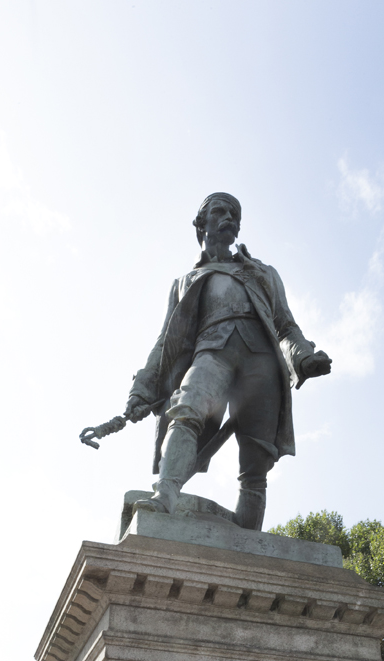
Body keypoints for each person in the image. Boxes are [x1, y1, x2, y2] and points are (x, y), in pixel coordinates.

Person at [85, 193, 331, 532]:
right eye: (220, 210)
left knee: (256, 458)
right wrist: (141, 390)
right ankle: (165, 496)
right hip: (212, 352)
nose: (229, 216)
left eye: (235, 213)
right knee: (187, 408)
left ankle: (248, 534)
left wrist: (304, 359)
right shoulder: (185, 281)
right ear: (202, 224)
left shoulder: (263, 273)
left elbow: (286, 326)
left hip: (261, 361)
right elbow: (166, 341)